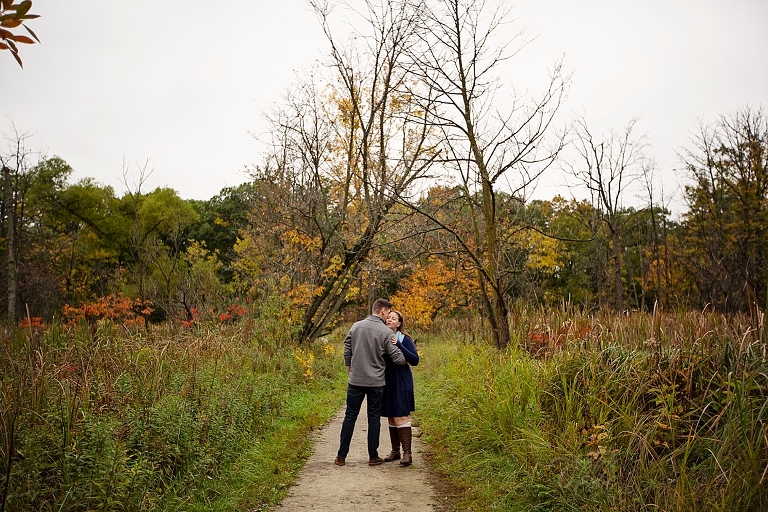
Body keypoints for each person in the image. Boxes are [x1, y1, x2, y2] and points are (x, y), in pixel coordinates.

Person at [335, 298, 407, 467]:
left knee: (350, 416)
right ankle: (373, 456)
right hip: (376, 382)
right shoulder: (386, 332)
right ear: (383, 311)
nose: (388, 315)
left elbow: (347, 348)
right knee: (373, 418)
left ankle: (341, 456)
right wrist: (406, 354)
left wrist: (349, 369)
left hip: (356, 380)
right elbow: (398, 359)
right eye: (388, 312)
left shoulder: (356, 326)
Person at [382, 309, 420, 465]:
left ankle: (407, 453)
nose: (390, 320)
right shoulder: (381, 336)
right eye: (388, 317)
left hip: (401, 379)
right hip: (387, 379)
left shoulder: (405, 339)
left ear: (399, 323)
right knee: (391, 415)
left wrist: (398, 344)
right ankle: (395, 451)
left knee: (401, 415)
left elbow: (415, 360)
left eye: (393, 318)